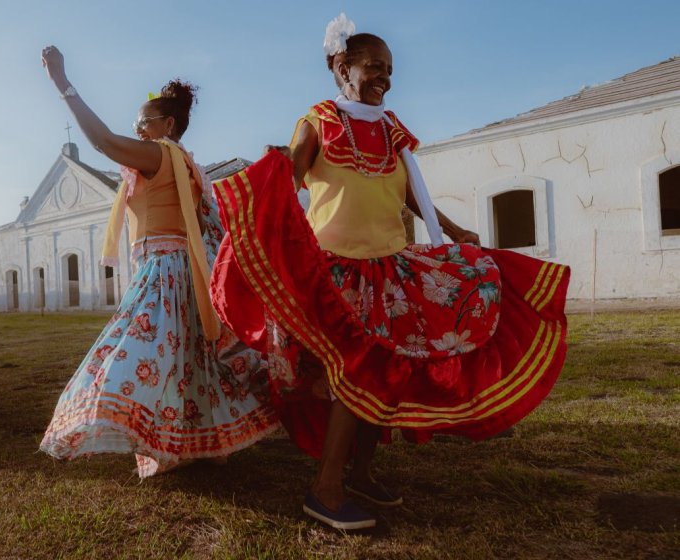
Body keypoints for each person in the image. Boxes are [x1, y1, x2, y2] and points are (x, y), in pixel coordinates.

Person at [211, 14, 570, 529]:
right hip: (335, 275)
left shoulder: (391, 129)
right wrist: (262, 226)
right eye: (374, 66)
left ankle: (358, 474)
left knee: (385, 371)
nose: (386, 77)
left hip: (388, 270)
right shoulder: (319, 121)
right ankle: (324, 490)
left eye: (390, 69)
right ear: (342, 66)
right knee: (355, 375)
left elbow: (406, 193)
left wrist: (455, 231)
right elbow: (285, 184)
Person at [37, 46, 278, 477]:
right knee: (186, 358)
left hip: (164, 270)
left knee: (133, 352)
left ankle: (153, 434)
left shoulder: (161, 154)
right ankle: (198, 445)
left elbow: (104, 142)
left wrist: (62, 84)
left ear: (167, 125)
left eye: (142, 123)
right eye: (136, 125)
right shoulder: (186, 164)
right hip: (185, 269)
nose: (137, 131)